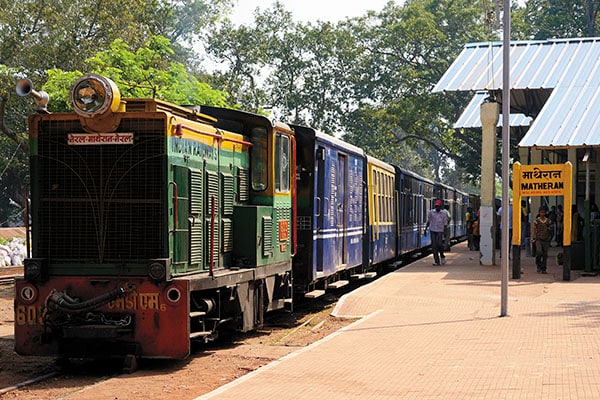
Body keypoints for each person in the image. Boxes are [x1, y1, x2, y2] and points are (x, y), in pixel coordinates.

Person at [426, 199, 448, 265]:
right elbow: (429, 221)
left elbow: (445, 224)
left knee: (439, 244)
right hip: (433, 230)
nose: (437, 208)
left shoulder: (443, 214)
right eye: (436, 206)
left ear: (440, 207)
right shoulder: (431, 212)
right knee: (434, 246)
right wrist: (425, 229)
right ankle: (436, 260)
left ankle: (442, 256)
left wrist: (445, 232)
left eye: (438, 206)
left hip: (440, 230)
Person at [532, 206, 553, 273]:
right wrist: (533, 237)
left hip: (546, 239)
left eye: (543, 212)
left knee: (545, 254)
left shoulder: (548, 221)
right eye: (541, 212)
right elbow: (534, 229)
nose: (542, 214)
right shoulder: (536, 221)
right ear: (539, 213)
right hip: (538, 239)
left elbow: (551, 229)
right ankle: (538, 264)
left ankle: (543, 268)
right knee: (539, 251)